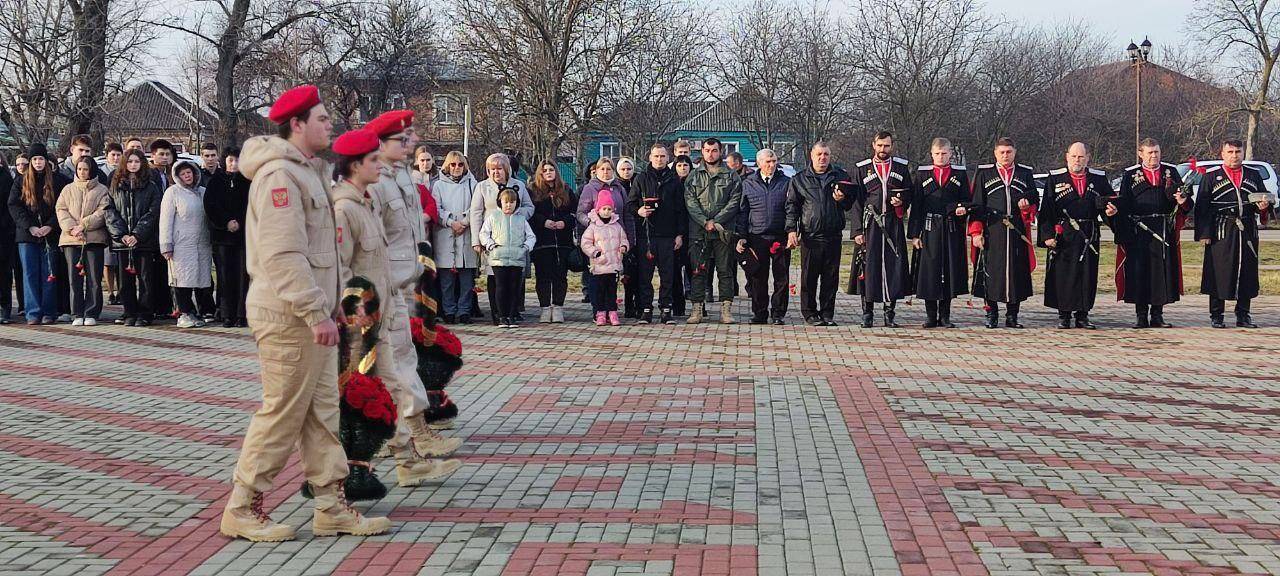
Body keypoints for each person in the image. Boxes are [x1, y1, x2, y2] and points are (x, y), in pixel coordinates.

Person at [222, 84, 390, 542]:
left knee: (321, 413)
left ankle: (331, 505)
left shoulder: (308, 173)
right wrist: (315, 311)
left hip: (310, 316)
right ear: (295, 124)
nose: (329, 123)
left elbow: (320, 254)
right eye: (320, 118)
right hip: (287, 317)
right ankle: (243, 505)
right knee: (283, 413)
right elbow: (283, 255)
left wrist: (330, 307)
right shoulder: (281, 176)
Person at [331, 128, 462, 487]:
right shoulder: (346, 207)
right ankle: (345, 473)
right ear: (356, 165)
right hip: (365, 312)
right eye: (373, 158)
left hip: (387, 297)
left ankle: (408, 455)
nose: (381, 165)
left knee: (392, 378)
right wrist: (353, 306)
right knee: (363, 389)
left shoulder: (363, 199)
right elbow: (342, 266)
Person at [365, 109, 463, 459]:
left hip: (407, 279)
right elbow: (370, 238)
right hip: (383, 283)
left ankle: (402, 438)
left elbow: (411, 228)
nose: (413, 143)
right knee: (392, 360)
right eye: (404, 139)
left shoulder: (404, 176)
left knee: (399, 358)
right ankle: (408, 434)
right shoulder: (374, 180)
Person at [1113, 138, 1190, 328]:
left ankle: (1157, 314)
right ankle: (1141, 315)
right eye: (1150, 153)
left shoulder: (1170, 172)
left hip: (1163, 228)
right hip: (1139, 231)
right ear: (1141, 154)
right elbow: (1123, 203)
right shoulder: (1130, 174)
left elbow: (1185, 202)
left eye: (1156, 152)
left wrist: (1182, 201)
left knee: (1160, 272)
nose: (1154, 156)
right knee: (1140, 272)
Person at [1038, 142, 1115, 330]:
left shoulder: (1098, 179)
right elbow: (1046, 211)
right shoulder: (1055, 179)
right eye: (1073, 156)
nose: (1077, 160)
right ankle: (1064, 315)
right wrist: (1047, 235)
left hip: (1089, 232)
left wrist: (1111, 212)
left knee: (1087, 274)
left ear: (1088, 157)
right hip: (1064, 234)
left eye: (1081, 157)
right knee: (1064, 274)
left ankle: (1083, 315)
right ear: (1067, 157)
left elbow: (1109, 203)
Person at [1195, 139, 1271, 328]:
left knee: (1246, 270)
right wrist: (1205, 233)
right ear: (1222, 153)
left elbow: (1263, 200)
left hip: (1246, 230)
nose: (1234, 155)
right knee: (1218, 271)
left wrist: (1263, 207)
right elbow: (1201, 208)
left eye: (1238, 151)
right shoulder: (1211, 177)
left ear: (1243, 153)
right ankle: (1216, 314)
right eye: (1230, 152)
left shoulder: (1253, 175)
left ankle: (1243, 314)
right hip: (1221, 230)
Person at [969, 137, 1038, 329]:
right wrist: (976, 232)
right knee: (991, 272)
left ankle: (1012, 315)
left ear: (1014, 152)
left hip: (1016, 229)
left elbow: (1034, 201)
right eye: (1002, 152)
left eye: (1009, 152)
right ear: (995, 153)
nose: (1005, 155)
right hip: (993, 228)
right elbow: (976, 205)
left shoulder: (1025, 174)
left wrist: (1026, 208)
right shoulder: (984, 173)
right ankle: (991, 314)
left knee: (1016, 272)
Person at [785, 142, 853, 326]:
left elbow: (850, 203)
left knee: (831, 277)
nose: (823, 158)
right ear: (811, 155)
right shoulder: (800, 179)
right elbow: (792, 207)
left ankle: (827, 313)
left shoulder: (840, 176)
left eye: (826, 154)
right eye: (819, 154)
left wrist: (843, 199)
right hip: (810, 235)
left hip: (833, 234)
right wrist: (792, 231)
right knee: (809, 277)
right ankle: (809, 313)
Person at [849, 131, 912, 328]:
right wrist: (857, 231)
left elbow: (910, 195)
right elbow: (856, 202)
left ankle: (889, 313)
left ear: (892, 146)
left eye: (887, 146)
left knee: (893, 267)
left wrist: (900, 202)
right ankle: (867, 313)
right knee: (868, 267)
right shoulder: (862, 169)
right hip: (870, 225)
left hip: (893, 224)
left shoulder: (901, 168)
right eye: (880, 145)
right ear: (873, 145)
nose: (883, 149)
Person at [907, 138, 970, 328]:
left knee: (948, 270)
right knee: (929, 272)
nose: (941, 157)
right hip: (928, 227)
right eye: (937, 154)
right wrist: (914, 234)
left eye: (944, 153)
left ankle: (945, 315)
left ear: (950, 153)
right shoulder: (922, 174)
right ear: (932, 154)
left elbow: (967, 199)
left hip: (951, 227)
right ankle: (930, 315)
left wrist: (962, 209)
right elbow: (916, 205)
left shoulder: (959, 175)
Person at [8, 142, 69, 325]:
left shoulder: (58, 181)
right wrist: (30, 227)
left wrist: (50, 226)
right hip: (27, 235)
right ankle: (33, 312)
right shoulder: (21, 181)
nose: (38, 162)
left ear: (46, 160)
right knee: (30, 274)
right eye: (34, 159)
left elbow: (62, 207)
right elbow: (14, 205)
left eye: (40, 158)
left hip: (50, 234)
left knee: (48, 273)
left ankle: (49, 311)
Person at [470, 153, 533, 324]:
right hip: (493, 240)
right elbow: (475, 213)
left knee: (514, 277)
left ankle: (513, 311)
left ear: (506, 169)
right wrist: (477, 240)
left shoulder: (518, 185)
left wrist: (518, 214)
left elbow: (529, 206)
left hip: (514, 240)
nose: (495, 172)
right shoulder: (482, 187)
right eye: (491, 169)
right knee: (494, 276)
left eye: (499, 169)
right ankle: (497, 313)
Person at [684, 137, 742, 324]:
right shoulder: (693, 176)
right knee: (698, 270)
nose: (711, 154)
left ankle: (726, 309)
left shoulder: (731, 175)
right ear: (702, 151)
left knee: (725, 270)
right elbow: (690, 201)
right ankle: (697, 309)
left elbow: (734, 202)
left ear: (721, 151)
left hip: (722, 231)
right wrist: (703, 221)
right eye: (707, 150)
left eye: (714, 150)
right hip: (699, 231)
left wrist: (716, 221)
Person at [630, 143, 686, 325]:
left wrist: (680, 234)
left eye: (662, 156)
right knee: (645, 274)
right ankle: (646, 309)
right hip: (646, 233)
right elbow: (630, 204)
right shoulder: (641, 178)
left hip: (668, 234)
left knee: (667, 274)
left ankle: (666, 308)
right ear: (650, 157)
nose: (659, 159)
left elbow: (681, 210)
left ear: (668, 158)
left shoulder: (674, 180)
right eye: (656, 156)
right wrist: (638, 211)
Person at [105, 149, 162, 326]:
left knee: (145, 278)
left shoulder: (150, 185)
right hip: (122, 242)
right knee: (125, 280)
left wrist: (137, 234)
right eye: (129, 162)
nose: (133, 165)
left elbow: (153, 212)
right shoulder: (116, 185)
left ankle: (145, 313)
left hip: (143, 241)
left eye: (136, 162)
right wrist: (122, 234)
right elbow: (109, 210)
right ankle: (129, 312)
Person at [735, 148, 790, 325]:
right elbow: (742, 212)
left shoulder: (786, 182)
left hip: (780, 236)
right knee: (758, 277)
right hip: (756, 236)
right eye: (768, 161)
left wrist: (791, 232)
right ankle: (759, 313)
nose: (772, 165)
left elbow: (791, 210)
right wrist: (742, 236)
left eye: (774, 161)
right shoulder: (748, 183)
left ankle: (778, 313)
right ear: (759, 163)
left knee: (781, 277)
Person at [55, 156, 111, 325]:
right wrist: (72, 228)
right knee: (74, 278)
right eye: (79, 169)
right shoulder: (68, 189)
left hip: (94, 239)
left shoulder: (102, 190)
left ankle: (92, 312)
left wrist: (84, 225)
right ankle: (77, 312)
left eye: (85, 169)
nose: (82, 172)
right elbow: (61, 209)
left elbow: (103, 212)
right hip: (71, 240)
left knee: (94, 277)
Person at [160, 160, 215, 328]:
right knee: (181, 279)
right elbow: (165, 220)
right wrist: (166, 244)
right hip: (181, 244)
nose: (187, 176)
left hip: (202, 244)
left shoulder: (203, 192)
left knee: (201, 279)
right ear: (177, 176)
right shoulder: (172, 193)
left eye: (189, 173)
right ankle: (184, 312)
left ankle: (200, 312)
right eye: (183, 174)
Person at [577, 158, 634, 314]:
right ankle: (598, 310)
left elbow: (626, 214)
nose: (605, 172)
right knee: (597, 280)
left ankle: (611, 310)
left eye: (609, 169)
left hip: (616, 239)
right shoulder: (590, 188)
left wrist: (629, 238)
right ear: (597, 170)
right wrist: (593, 225)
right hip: (598, 242)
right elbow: (580, 213)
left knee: (612, 280)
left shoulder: (619, 188)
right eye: (602, 169)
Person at [204, 146, 251, 328]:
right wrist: (226, 222)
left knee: (242, 276)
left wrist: (239, 221)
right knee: (224, 276)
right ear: (224, 161)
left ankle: (241, 314)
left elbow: (251, 205)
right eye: (231, 160)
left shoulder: (247, 182)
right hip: (222, 237)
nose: (234, 164)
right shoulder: (216, 181)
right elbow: (210, 206)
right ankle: (226, 314)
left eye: (237, 160)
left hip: (242, 237)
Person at [480, 186, 536, 328]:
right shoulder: (493, 217)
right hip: (498, 258)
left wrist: (526, 247)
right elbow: (484, 233)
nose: (509, 205)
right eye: (506, 202)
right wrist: (490, 245)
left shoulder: (521, 219)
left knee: (514, 287)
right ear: (500, 202)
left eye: (512, 202)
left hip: (517, 258)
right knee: (501, 287)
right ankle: (501, 316)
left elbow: (531, 236)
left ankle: (512, 315)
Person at [432, 151, 477, 324]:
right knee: (446, 279)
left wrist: (464, 223)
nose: (457, 168)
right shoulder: (438, 186)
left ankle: (464, 310)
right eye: (453, 164)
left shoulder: (473, 184)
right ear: (447, 166)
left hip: (466, 231)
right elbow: (437, 208)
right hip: (446, 232)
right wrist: (451, 223)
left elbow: (476, 206)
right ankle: (449, 310)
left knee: (466, 277)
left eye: (460, 164)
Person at [529, 159, 576, 323]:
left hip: (562, 242)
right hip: (542, 241)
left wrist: (565, 222)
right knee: (543, 276)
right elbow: (530, 214)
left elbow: (574, 213)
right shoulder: (533, 191)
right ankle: (544, 308)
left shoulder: (566, 190)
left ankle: (558, 307)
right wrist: (543, 222)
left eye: (551, 169)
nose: (548, 173)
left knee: (560, 276)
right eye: (545, 170)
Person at [581, 190, 629, 326]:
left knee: (611, 292)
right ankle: (600, 313)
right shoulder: (593, 227)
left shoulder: (617, 225)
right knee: (598, 292)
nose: (607, 212)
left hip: (613, 265)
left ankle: (612, 313)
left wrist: (624, 247)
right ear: (598, 210)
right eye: (604, 209)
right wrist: (595, 252)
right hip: (599, 265)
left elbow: (623, 238)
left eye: (609, 209)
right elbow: (585, 243)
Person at [148, 139, 176, 318]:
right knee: (153, 272)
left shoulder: (170, 174)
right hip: (153, 228)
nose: (165, 158)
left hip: (168, 227)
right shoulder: (150, 174)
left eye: (167, 154)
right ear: (153, 155)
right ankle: (154, 306)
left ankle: (165, 307)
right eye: (161, 154)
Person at [617, 156, 641, 318]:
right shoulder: (616, 187)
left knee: (638, 272)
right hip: (618, 232)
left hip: (637, 230)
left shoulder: (638, 184)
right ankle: (627, 304)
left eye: (629, 169)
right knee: (625, 273)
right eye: (623, 169)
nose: (626, 172)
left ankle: (638, 304)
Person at [102, 142, 124, 305]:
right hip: (106, 221)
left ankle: (122, 290)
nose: (116, 158)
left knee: (121, 262)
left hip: (123, 221)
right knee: (108, 261)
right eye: (113, 155)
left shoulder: (126, 171)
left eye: (118, 155)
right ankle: (110, 291)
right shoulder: (102, 173)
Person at [0, 154, 17, 322]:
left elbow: (9, 207)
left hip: (4, 234)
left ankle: (4, 308)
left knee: (4, 273)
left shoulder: (5, 178)